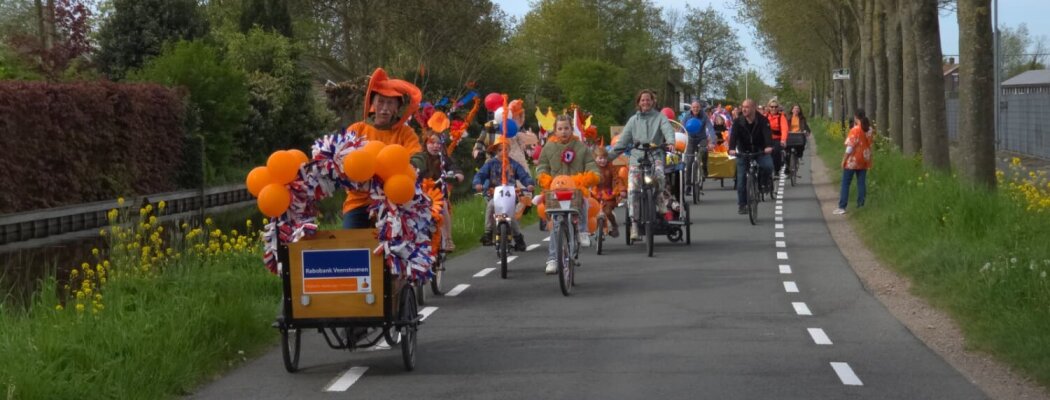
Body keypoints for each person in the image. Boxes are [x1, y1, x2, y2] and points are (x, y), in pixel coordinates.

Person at [342, 68, 425, 229]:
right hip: (358, 202)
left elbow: (418, 157)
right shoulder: (357, 129)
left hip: (395, 202)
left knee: (398, 248)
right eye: (380, 101)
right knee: (351, 246)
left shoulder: (405, 133)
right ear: (373, 104)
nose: (385, 108)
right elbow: (339, 158)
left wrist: (411, 168)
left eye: (390, 103)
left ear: (397, 108)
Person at [610, 89, 676, 241]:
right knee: (633, 189)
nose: (645, 102)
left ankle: (659, 200)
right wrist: (609, 157)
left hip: (655, 156)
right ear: (638, 103)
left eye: (648, 99)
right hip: (637, 158)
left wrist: (671, 142)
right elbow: (622, 141)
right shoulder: (633, 120)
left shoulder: (660, 118)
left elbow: (667, 130)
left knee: (659, 174)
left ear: (653, 101)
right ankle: (634, 224)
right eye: (643, 100)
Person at [536, 115, 598, 272]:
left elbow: (591, 165)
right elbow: (542, 165)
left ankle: (583, 231)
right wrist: (544, 178)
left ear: (572, 129)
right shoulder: (548, 148)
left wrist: (590, 176)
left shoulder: (581, 147)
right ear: (555, 130)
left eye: (567, 128)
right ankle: (552, 259)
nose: (563, 131)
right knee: (556, 225)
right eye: (560, 128)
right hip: (556, 191)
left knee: (583, 202)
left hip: (575, 190)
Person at [474, 137, 534, 250]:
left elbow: (523, 176)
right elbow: (480, 175)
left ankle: (518, 238)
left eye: (506, 149)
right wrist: (478, 183)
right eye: (500, 150)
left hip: (510, 195)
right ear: (496, 151)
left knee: (511, 215)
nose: (503, 152)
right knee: (491, 205)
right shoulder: (490, 164)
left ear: (509, 150)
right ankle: (488, 232)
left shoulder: (514, 164)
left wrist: (528, 184)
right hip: (494, 194)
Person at [421, 129, 464, 251]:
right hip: (421, 196)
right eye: (431, 142)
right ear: (425, 143)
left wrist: (457, 174)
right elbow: (413, 167)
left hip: (438, 196)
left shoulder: (443, 159)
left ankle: (447, 239)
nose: (435, 146)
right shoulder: (421, 158)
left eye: (438, 143)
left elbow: (453, 167)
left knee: (443, 205)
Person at [729, 99, 774, 215]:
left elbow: (767, 134)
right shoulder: (738, 121)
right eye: (743, 106)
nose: (744, 109)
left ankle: (763, 183)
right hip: (743, 152)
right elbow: (733, 136)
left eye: (747, 107)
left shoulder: (763, 120)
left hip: (759, 150)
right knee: (741, 179)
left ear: (754, 108)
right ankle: (742, 204)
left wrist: (768, 146)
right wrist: (732, 148)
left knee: (768, 166)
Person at [835, 109, 873, 215]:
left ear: (856, 117)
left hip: (853, 160)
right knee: (861, 182)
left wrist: (844, 160)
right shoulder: (869, 129)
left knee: (846, 183)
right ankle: (861, 204)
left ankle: (842, 207)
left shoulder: (855, 130)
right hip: (865, 158)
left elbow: (850, 147)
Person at [591, 146, 626, 238]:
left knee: (607, 211)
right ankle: (591, 228)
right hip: (595, 194)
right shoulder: (592, 168)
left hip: (608, 193)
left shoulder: (610, 167)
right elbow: (587, 179)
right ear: (595, 158)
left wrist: (621, 189)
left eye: (604, 158)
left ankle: (614, 225)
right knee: (592, 211)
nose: (602, 161)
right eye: (600, 158)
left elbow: (617, 179)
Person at [680, 100, 712, 180]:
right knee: (689, 161)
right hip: (690, 139)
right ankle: (687, 184)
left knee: (704, 150)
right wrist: (681, 137)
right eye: (694, 107)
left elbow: (710, 128)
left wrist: (713, 142)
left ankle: (704, 167)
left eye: (697, 107)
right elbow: (682, 128)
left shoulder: (704, 115)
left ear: (700, 108)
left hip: (701, 138)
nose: (695, 109)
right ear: (691, 108)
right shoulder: (687, 115)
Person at [765, 99, 790, 176]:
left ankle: (776, 170)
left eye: (775, 107)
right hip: (766, 139)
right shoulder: (765, 116)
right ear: (769, 107)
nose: (773, 109)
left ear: (778, 108)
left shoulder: (781, 117)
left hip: (777, 138)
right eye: (772, 107)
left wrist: (783, 140)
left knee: (776, 151)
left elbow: (784, 129)